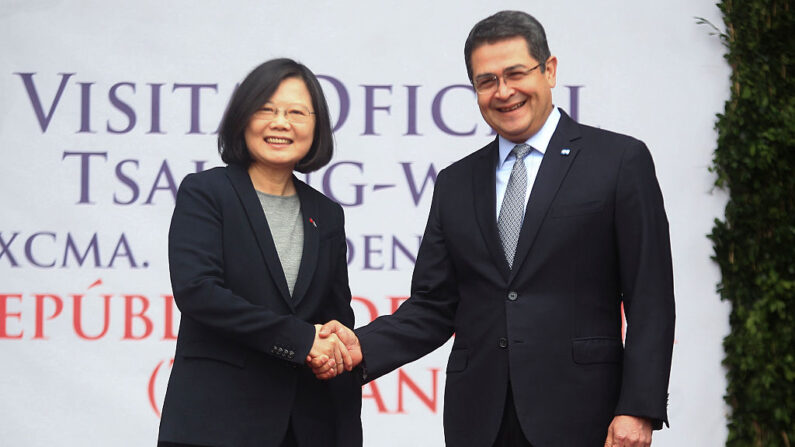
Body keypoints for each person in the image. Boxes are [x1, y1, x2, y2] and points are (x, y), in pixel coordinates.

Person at [312, 11, 675, 447]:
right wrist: (360, 347)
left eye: (515, 73)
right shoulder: (456, 181)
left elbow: (650, 297)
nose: (503, 92)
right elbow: (433, 305)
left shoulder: (618, 161)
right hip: (479, 419)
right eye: (486, 81)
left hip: (586, 415)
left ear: (550, 70)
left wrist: (638, 408)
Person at [158, 58, 362, 447]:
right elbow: (198, 292)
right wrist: (301, 340)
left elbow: (335, 317)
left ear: (315, 126)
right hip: (217, 424)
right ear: (242, 118)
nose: (280, 122)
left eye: (297, 112)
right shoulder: (206, 193)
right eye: (266, 109)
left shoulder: (327, 214)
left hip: (306, 427)